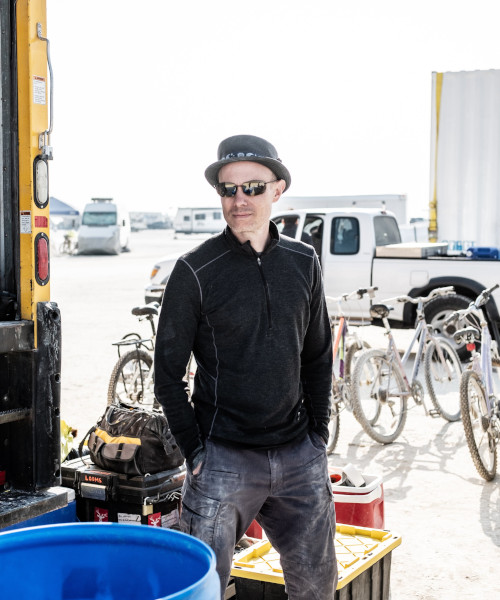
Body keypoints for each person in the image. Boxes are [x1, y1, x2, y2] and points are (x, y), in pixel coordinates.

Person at [154, 134, 337, 600]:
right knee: (203, 590)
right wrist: (195, 452)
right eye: (228, 189)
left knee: (316, 587)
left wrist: (318, 434)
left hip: (299, 456)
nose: (240, 200)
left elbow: (318, 355)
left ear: (277, 189)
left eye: (253, 187)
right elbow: (167, 375)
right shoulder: (195, 270)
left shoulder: (303, 262)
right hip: (223, 461)